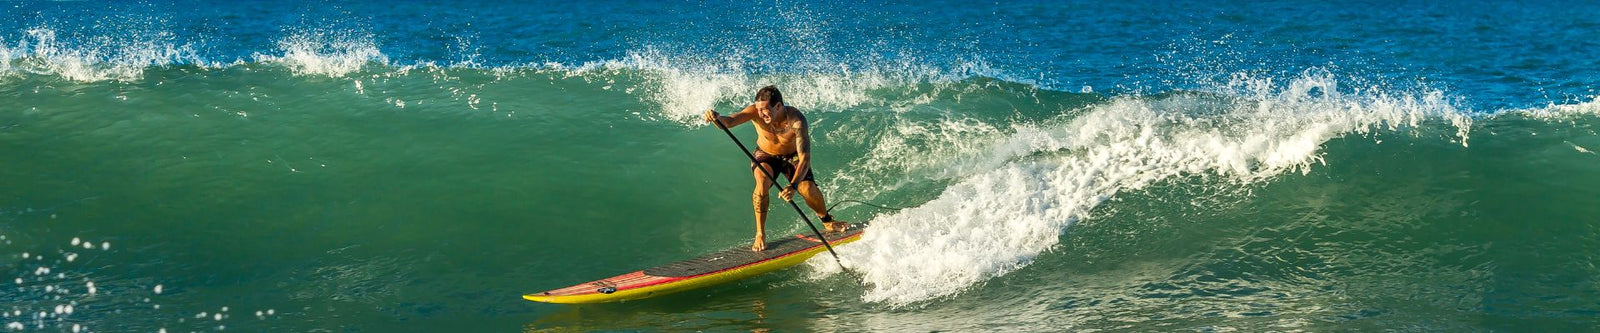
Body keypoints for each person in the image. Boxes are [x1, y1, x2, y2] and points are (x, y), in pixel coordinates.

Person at [704, 86, 849, 252]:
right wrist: (716, 117)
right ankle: (760, 233)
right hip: (765, 154)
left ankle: (827, 221)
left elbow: (805, 159)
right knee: (761, 183)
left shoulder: (797, 121)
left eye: (765, 110)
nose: (761, 114)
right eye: (758, 109)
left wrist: (793, 186)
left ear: (778, 106)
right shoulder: (754, 112)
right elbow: (728, 122)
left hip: (792, 156)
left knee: (807, 189)